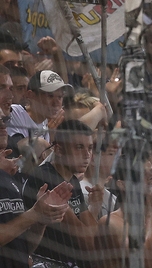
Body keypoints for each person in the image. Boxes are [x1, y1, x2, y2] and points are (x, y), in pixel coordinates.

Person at [23, 120, 105, 268]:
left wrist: (95, 207)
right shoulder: (46, 179)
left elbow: (92, 236)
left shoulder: (72, 180)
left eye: (90, 148)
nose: (87, 155)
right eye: (79, 147)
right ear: (59, 150)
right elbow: (86, 243)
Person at [0, 113, 73, 268]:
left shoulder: (9, 176)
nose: (3, 126)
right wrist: (34, 213)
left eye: (5, 120)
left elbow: (24, 248)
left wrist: (40, 220)